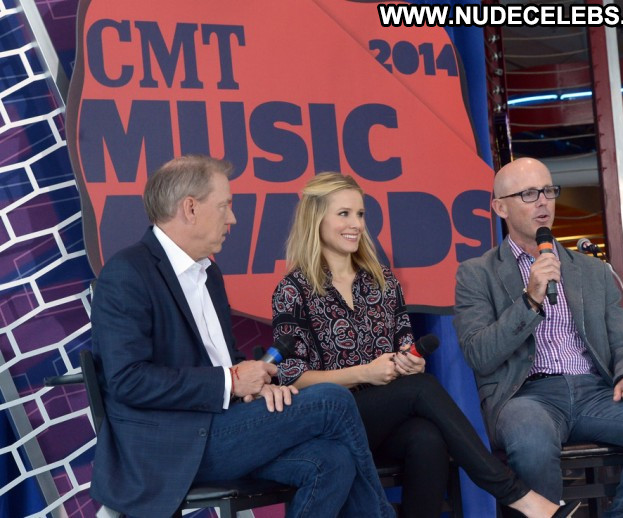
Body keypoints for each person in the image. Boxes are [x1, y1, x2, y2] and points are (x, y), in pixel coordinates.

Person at [89, 156, 394, 517]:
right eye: (224, 206)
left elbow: (224, 360)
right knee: (332, 400)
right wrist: (231, 381)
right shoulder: (127, 273)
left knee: (333, 460)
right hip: (171, 446)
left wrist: (258, 386)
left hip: (225, 426)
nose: (232, 219)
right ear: (190, 208)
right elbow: (128, 380)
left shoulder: (209, 275)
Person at [271, 172, 578, 518]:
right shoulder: (293, 289)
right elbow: (291, 377)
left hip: (381, 419)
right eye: (344, 214)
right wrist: (365, 373)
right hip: (328, 422)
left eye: (360, 214)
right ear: (316, 219)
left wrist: (410, 363)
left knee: (427, 438)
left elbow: (405, 350)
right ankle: (518, 496)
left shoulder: (382, 281)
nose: (356, 224)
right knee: (421, 389)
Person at [453, 157, 623, 517]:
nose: (543, 202)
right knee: (530, 439)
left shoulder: (592, 271)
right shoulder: (476, 274)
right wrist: (530, 300)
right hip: (526, 396)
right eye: (529, 194)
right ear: (500, 208)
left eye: (548, 191)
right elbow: (479, 354)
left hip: (596, 393)